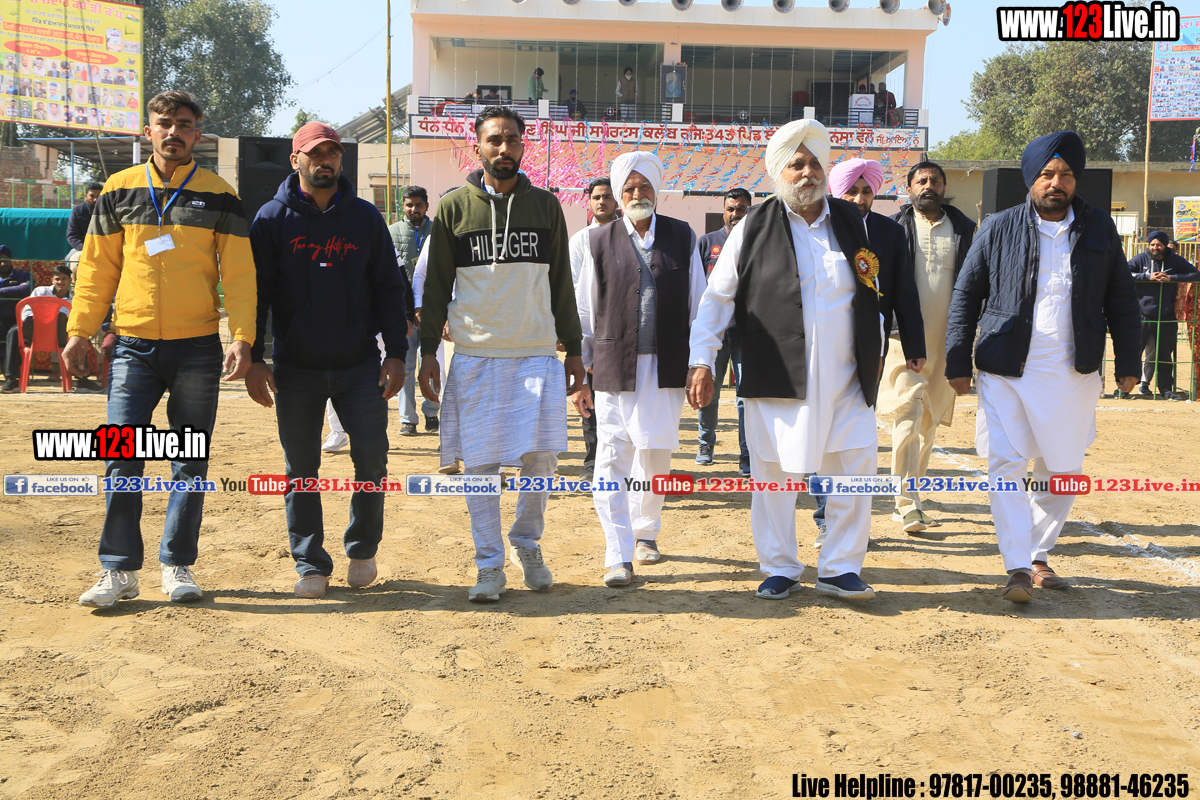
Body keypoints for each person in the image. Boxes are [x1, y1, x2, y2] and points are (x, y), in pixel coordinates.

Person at [62, 91, 256, 608]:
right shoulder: (119, 189)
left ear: (198, 135)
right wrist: (80, 330)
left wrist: (242, 337)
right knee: (121, 458)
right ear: (147, 131)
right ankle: (119, 569)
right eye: (165, 123)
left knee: (189, 461)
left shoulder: (220, 194)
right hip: (132, 345)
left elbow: (239, 274)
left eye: (184, 125)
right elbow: (97, 268)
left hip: (197, 346)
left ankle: (176, 564)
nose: (174, 132)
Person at [686, 120, 887, 603]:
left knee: (854, 468)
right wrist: (703, 360)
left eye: (814, 163)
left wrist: (876, 347)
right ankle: (779, 567)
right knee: (773, 476)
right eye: (796, 164)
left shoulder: (850, 221)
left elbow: (869, 289)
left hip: (847, 377)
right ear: (779, 172)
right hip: (776, 372)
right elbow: (717, 299)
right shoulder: (753, 226)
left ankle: (840, 569)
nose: (807, 172)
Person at [945, 130, 1141, 603]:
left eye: (1067, 174)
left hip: (1074, 369)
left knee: (1063, 467)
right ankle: (1016, 564)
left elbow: (1121, 297)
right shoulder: (998, 227)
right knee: (1007, 463)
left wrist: (1129, 361)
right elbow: (966, 295)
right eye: (1048, 174)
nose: (1057, 182)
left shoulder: (1099, 228)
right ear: (1031, 179)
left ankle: (1037, 552)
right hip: (1005, 366)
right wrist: (957, 359)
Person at [418, 106, 585, 602]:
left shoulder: (546, 206)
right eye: (494, 140)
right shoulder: (453, 208)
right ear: (478, 147)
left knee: (541, 459)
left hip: (536, 352)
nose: (504, 148)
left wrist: (574, 350)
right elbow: (435, 288)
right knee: (481, 466)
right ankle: (489, 565)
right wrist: (428, 352)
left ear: (523, 145)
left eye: (512, 139)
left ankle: (526, 543)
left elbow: (562, 282)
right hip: (476, 354)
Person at [245, 122, 408, 600]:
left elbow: (389, 289)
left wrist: (396, 353)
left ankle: (363, 549)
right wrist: (255, 357)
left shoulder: (365, 218)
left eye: (332, 153)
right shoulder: (271, 219)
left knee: (372, 460)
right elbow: (255, 295)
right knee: (301, 469)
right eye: (315, 153)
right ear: (295, 160)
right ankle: (310, 562)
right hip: (295, 368)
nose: (325, 160)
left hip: (359, 366)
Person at [573, 152, 706, 587]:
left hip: (667, 366)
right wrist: (581, 373)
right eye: (628, 188)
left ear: (656, 189)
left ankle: (645, 533)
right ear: (618, 194)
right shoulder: (598, 240)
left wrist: (700, 362)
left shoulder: (682, 235)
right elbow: (585, 312)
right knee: (611, 458)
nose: (636, 194)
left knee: (655, 455)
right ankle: (617, 554)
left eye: (644, 186)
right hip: (613, 367)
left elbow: (699, 304)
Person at [813, 159, 930, 542]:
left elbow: (904, 292)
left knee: (854, 435)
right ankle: (825, 518)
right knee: (821, 433)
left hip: (871, 352)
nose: (859, 198)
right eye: (852, 191)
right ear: (836, 191)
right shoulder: (818, 230)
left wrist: (913, 345)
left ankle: (849, 521)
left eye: (866, 191)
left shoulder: (890, 233)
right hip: (822, 347)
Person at [874, 160, 974, 533]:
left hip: (946, 342)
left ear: (944, 187)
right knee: (908, 413)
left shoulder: (965, 229)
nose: (928, 186)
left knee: (929, 421)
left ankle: (913, 499)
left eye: (935, 180)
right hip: (903, 339)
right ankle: (905, 503)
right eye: (921, 181)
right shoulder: (894, 228)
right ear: (910, 188)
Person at [695, 188, 752, 475]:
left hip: (747, 334)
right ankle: (705, 444)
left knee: (746, 399)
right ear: (723, 211)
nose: (735, 214)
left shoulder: (758, 241)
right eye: (731, 209)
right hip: (715, 334)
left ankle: (747, 453)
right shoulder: (707, 243)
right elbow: (697, 286)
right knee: (710, 393)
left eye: (741, 209)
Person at [567, 177, 620, 482]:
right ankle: (592, 463)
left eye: (607, 196)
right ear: (589, 201)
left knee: (619, 399)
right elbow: (574, 288)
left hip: (622, 331)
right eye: (597, 196)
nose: (602, 201)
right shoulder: (580, 240)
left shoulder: (629, 236)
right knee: (588, 397)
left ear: (617, 201)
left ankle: (620, 464)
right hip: (590, 331)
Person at [387, 185, 437, 437]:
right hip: (402, 312)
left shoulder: (439, 231)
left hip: (434, 311)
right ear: (402, 206)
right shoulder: (391, 233)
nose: (413, 209)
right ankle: (408, 418)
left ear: (426, 206)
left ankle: (432, 412)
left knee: (433, 364)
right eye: (409, 205)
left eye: (418, 205)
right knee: (404, 366)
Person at [1128, 231, 1198, 401]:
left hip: (1167, 315)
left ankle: (1166, 390)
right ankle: (1124, 388)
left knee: (1165, 355)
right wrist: (1147, 277)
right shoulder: (1140, 259)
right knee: (1133, 352)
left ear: (1165, 246)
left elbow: (1196, 274)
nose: (1155, 248)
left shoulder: (1175, 260)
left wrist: (1171, 277)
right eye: (1152, 244)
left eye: (1159, 245)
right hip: (1141, 315)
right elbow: (1123, 273)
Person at [0, 245, 32, 334]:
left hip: (17, 318)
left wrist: (1, 292)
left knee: (15, 332)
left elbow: (27, 289)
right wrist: (15, 294)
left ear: (11, 260)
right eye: (0, 261)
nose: (3, 264)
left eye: (5, 261)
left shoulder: (23, 275)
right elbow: (21, 291)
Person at [67, 182, 104, 254]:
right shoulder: (78, 211)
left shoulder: (110, 211)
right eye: (92, 196)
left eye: (98, 196)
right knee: (71, 258)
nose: (95, 200)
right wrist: (84, 248)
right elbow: (72, 235)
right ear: (85, 196)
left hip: (105, 249)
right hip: (83, 249)